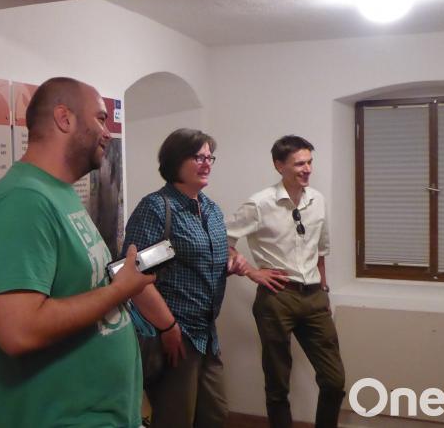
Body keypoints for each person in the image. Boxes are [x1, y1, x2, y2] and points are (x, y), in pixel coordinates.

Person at [0, 77, 155, 428]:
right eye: (100, 119)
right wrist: (119, 291)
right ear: (64, 118)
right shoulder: (24, 200)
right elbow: (18, 330)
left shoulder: (58, 192)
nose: (108, 132)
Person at [121, 128, 247, 428]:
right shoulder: (157, 208)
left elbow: (202, 257)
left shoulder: (211, 210)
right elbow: (135, 276)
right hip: (174, 335)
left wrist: (231, 261)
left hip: (206, 334)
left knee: (214, 415)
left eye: (209, 158)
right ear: (175, 160)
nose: (206, 164)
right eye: (197, 157)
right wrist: (168, 326)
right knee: (175, 419)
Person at [225, 135, 346, 428]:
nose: (307, 169)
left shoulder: (317, 200)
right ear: (279, 166)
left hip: (314, 296)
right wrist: (252, 271)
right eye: (299, 164)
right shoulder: (259, 203)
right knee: (278, 382)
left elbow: (320, 250)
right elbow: (223, 241)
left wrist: (324, 289)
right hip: (277, 297)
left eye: (310, 162)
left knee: (334, 380)